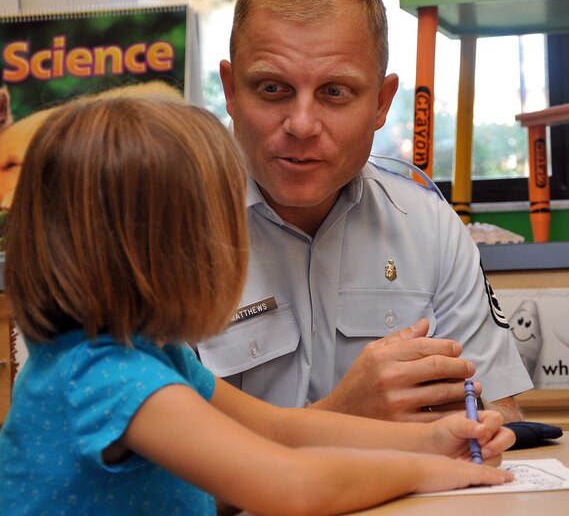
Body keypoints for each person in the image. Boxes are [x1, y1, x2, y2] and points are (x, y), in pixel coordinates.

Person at [0, 95, 514, 516]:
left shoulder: (147, 356)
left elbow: (281, 429)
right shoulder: (107, 378)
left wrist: (432, 441)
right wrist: (429, 474)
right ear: (161, 252)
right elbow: (291, 485)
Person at [198, 0, 533, 422]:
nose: (301, 124)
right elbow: (155, 467)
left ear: (380, 102)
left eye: (335, 92)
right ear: (231, 92)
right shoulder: (165, 233)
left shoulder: (429, 227)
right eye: (272, 88)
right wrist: (347, 417)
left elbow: (498, 416)